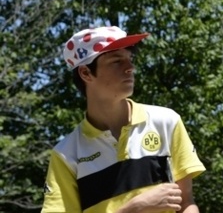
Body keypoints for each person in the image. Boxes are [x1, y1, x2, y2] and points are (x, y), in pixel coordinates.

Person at [41, 26, 206, 213]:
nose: (130, 68)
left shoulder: (166, 122)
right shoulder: (66, 155)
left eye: (130, 59)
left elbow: (186, 203)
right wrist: (133, 208)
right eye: (117, 61)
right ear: (86, 73)